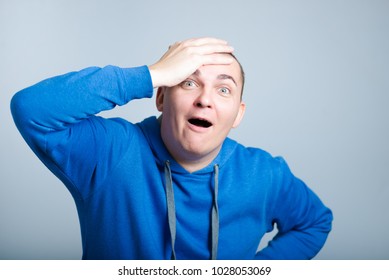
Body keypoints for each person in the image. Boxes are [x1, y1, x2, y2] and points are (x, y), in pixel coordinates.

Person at [11, 37, 332, 260]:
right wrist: (153, 74)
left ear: (238, 114)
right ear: (161, 97)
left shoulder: (264, 174)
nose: (204, 99)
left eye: (223, 89)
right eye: (189, 82)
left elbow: (314, 222)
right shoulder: (111, 152)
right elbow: (31, 109)